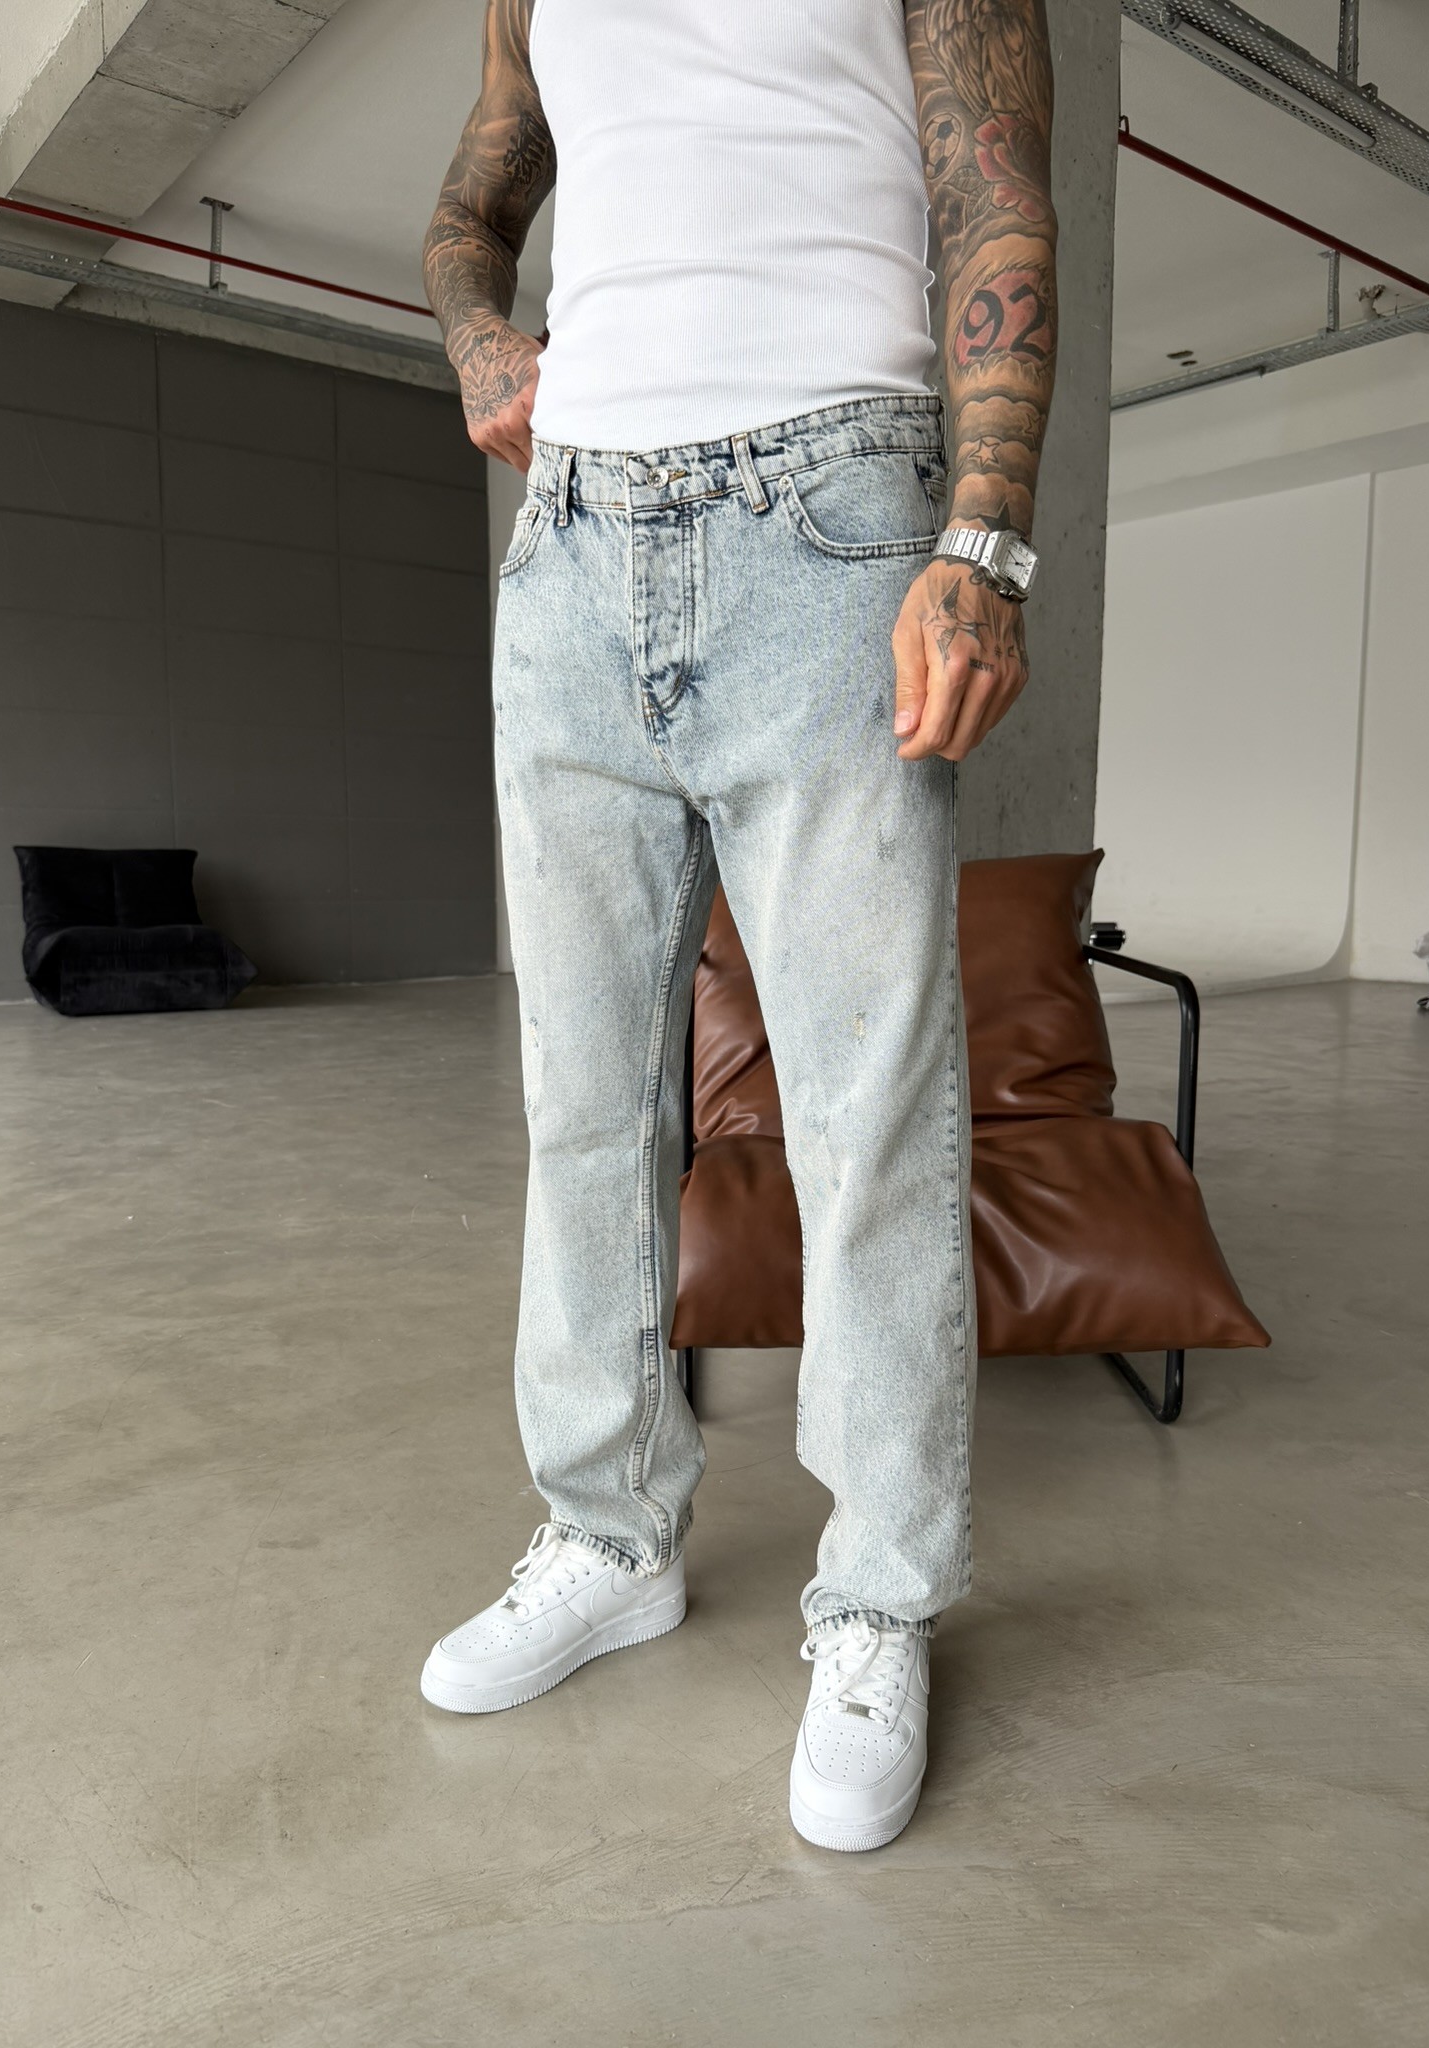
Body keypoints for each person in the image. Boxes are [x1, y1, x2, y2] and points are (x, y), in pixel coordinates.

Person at [418, 0, 1057, 1854]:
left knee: (868, 1114)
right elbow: (471, 207)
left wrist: (985, 541)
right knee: (586, 1104)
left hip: (835, 514)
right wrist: (478, 335)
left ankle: (879, 1603)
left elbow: (996, 192)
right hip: (572, 545)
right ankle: (609, 1531)